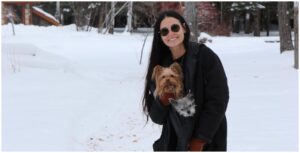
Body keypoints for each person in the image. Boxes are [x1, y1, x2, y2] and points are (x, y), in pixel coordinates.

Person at [142, 10, 229, 151]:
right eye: (164, 31)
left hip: (207, 140)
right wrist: (162, 101)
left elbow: (218, 100)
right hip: (174, 141)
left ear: (184, 27)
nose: (170, 34)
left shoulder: (204, 56)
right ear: (160, 36)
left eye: (174, 28)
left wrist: (200, 139)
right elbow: (157, 118)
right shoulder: (160, 67)